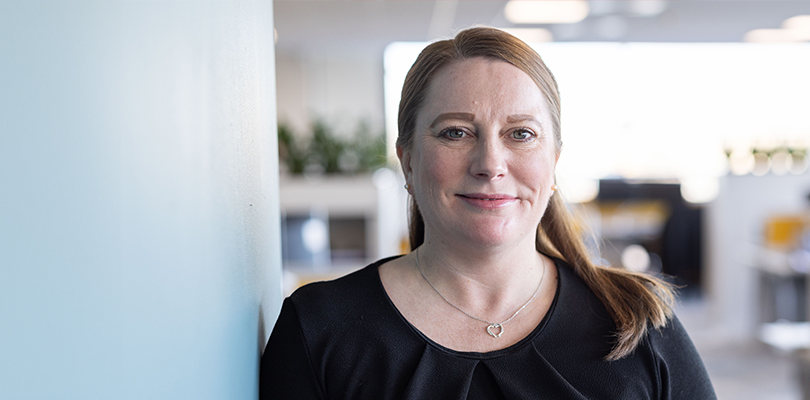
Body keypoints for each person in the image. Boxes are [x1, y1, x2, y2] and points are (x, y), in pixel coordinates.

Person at [259, 27, 716, 399]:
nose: (490, 164)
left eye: (520, 134)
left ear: (553, 163)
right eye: (456, 132)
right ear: (409, 160)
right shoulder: (319, 329)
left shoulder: (636, 321)